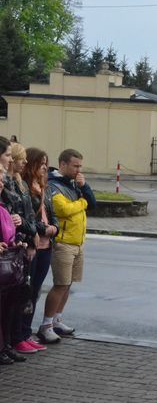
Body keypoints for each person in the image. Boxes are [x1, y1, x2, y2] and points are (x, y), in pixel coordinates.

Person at [38, 149, 95, 344]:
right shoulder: (54, 185)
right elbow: (62, 209)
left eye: (80, 166)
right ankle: (45, 325)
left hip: (78, 242)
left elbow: (92, 203)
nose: (79, 170)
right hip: (63, 243)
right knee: (60, 284)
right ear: (63, 164)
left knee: (68, 284)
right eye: (75, 166)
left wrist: (84, 186)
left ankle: (57, 319)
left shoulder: (74, 183)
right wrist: (82, 202)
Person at [18, 148, 58, 352]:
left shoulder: (44, 187)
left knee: (35, 292)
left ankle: (26, 331)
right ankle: (19, 335)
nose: (44, 166)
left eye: (46, 162)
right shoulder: (24, 187)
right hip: (33, 244)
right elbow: (29, 218)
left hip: (46, 246)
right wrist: (46, 229)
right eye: (41, 162)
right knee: (26, 292)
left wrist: (55, 228)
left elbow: (51, 213)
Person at [3, 142, 38, 356]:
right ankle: (12, 340)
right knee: (10, 300)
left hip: (23, 241)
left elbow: (28, 215)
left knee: (19, 296)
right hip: (14, 244)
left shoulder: (20, 184)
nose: (23, 162)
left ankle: (15, 338)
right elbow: (12, 216)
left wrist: (31, 237)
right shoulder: (9, 184)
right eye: (17, 157)